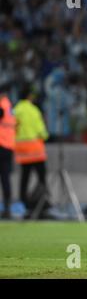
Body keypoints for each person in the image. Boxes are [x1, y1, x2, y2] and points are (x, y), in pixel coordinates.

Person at [14, 86, 49, 213]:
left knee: (25, 175)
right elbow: (41, 130)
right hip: (35, 148)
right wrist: (45, 136)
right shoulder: (33, 110)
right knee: (42, 176)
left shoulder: (15, 110)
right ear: (29, 96)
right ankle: (43, 201)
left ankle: (23, 200)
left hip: (21, 148)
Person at [0, 84, 16, 219]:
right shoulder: (10, 107)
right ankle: (7, 208)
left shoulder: (1, 106)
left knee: (4, 178)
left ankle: (6, 208)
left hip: (1, 144)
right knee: (5, 178)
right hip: (9, 146)